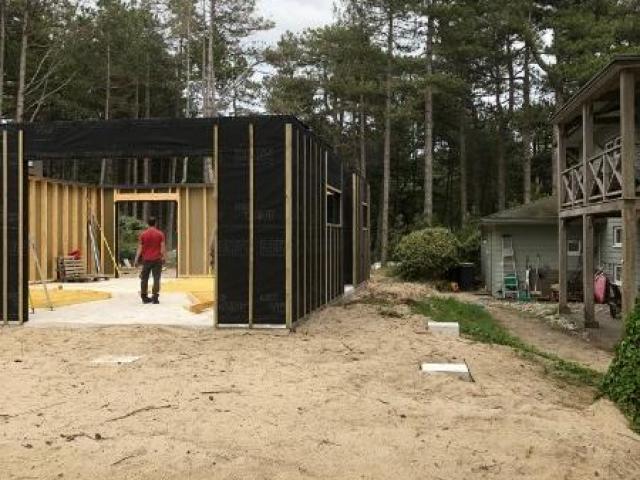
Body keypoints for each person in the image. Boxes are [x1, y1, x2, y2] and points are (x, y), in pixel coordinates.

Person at [135, 217, 166, 304]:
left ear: (148, 223)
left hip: (146, 260)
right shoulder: (160, 234)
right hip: (157, 260)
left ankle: (144, 297)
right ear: (155, 223)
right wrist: (164, 257)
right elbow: (162, 247)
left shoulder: (143, 234)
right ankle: (155, 297)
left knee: (144, 279)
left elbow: (140, 248)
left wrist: (136, 259)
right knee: (156, 278)